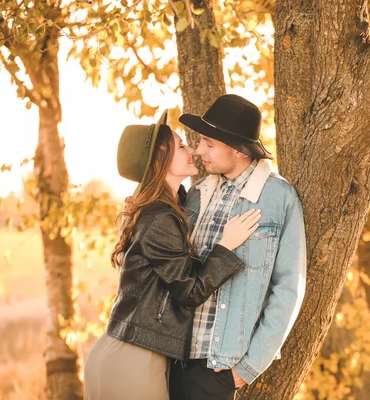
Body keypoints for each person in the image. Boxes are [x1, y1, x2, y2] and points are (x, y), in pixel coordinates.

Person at [83, 110, 261, 400]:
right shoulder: (160, 218)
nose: (191, 150)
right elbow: (189, 291)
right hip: (133, 359)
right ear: (160, 161)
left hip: (125, 352)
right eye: (180, 146)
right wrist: (226, 247)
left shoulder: (168, 208)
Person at [169, 94, 307, 400]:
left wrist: (246, 370)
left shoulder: (278, 199)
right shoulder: (196, 194)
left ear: (238, 150)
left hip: (217, 369)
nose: (198, 150)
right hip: (171, 359)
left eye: (209, 143)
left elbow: (288, 289)